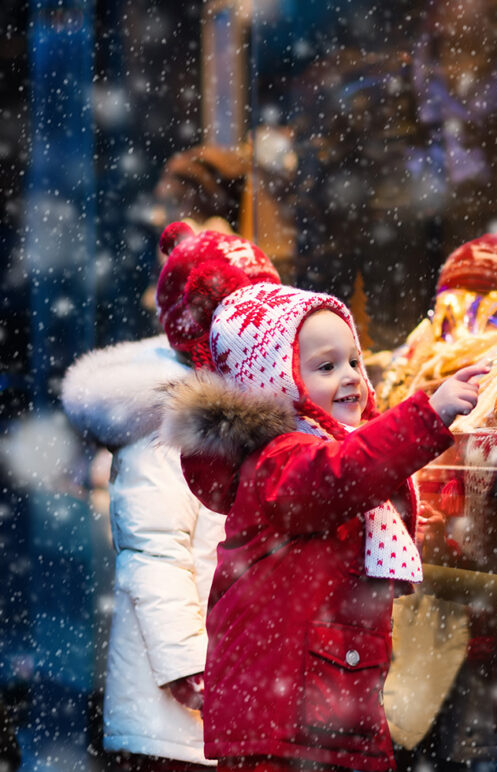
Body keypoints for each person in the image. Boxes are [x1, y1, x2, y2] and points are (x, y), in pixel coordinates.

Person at [155, 221, 485, 772]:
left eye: (354, 360)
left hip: (320, 702)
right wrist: (427, 415)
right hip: (286, 716)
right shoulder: (280, 460)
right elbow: (343, 474)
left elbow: (349, 494)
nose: (352, 376)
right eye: (326, 367)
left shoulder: (315, 457)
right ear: (276, 382)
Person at [60, 225, 282, 772]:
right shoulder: (169, 424)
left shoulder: (241, 408)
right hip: (184, 699)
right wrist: (187, 665)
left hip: (231, 674)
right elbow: (153, 553)